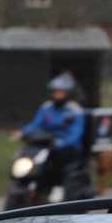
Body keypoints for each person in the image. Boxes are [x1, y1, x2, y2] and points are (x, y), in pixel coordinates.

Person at [10, 74, 89, 202]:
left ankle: (58, 186)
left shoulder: (75, 110)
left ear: (68, 93)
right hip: (46, 144)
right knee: (29, 153)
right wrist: (22, 132)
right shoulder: (46, 107)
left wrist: (60, 144)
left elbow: (75, 135)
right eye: (55, 92)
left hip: (66, 149)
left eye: (60, 92)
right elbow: (36, 124)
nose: (57, 95)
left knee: (57, 156)